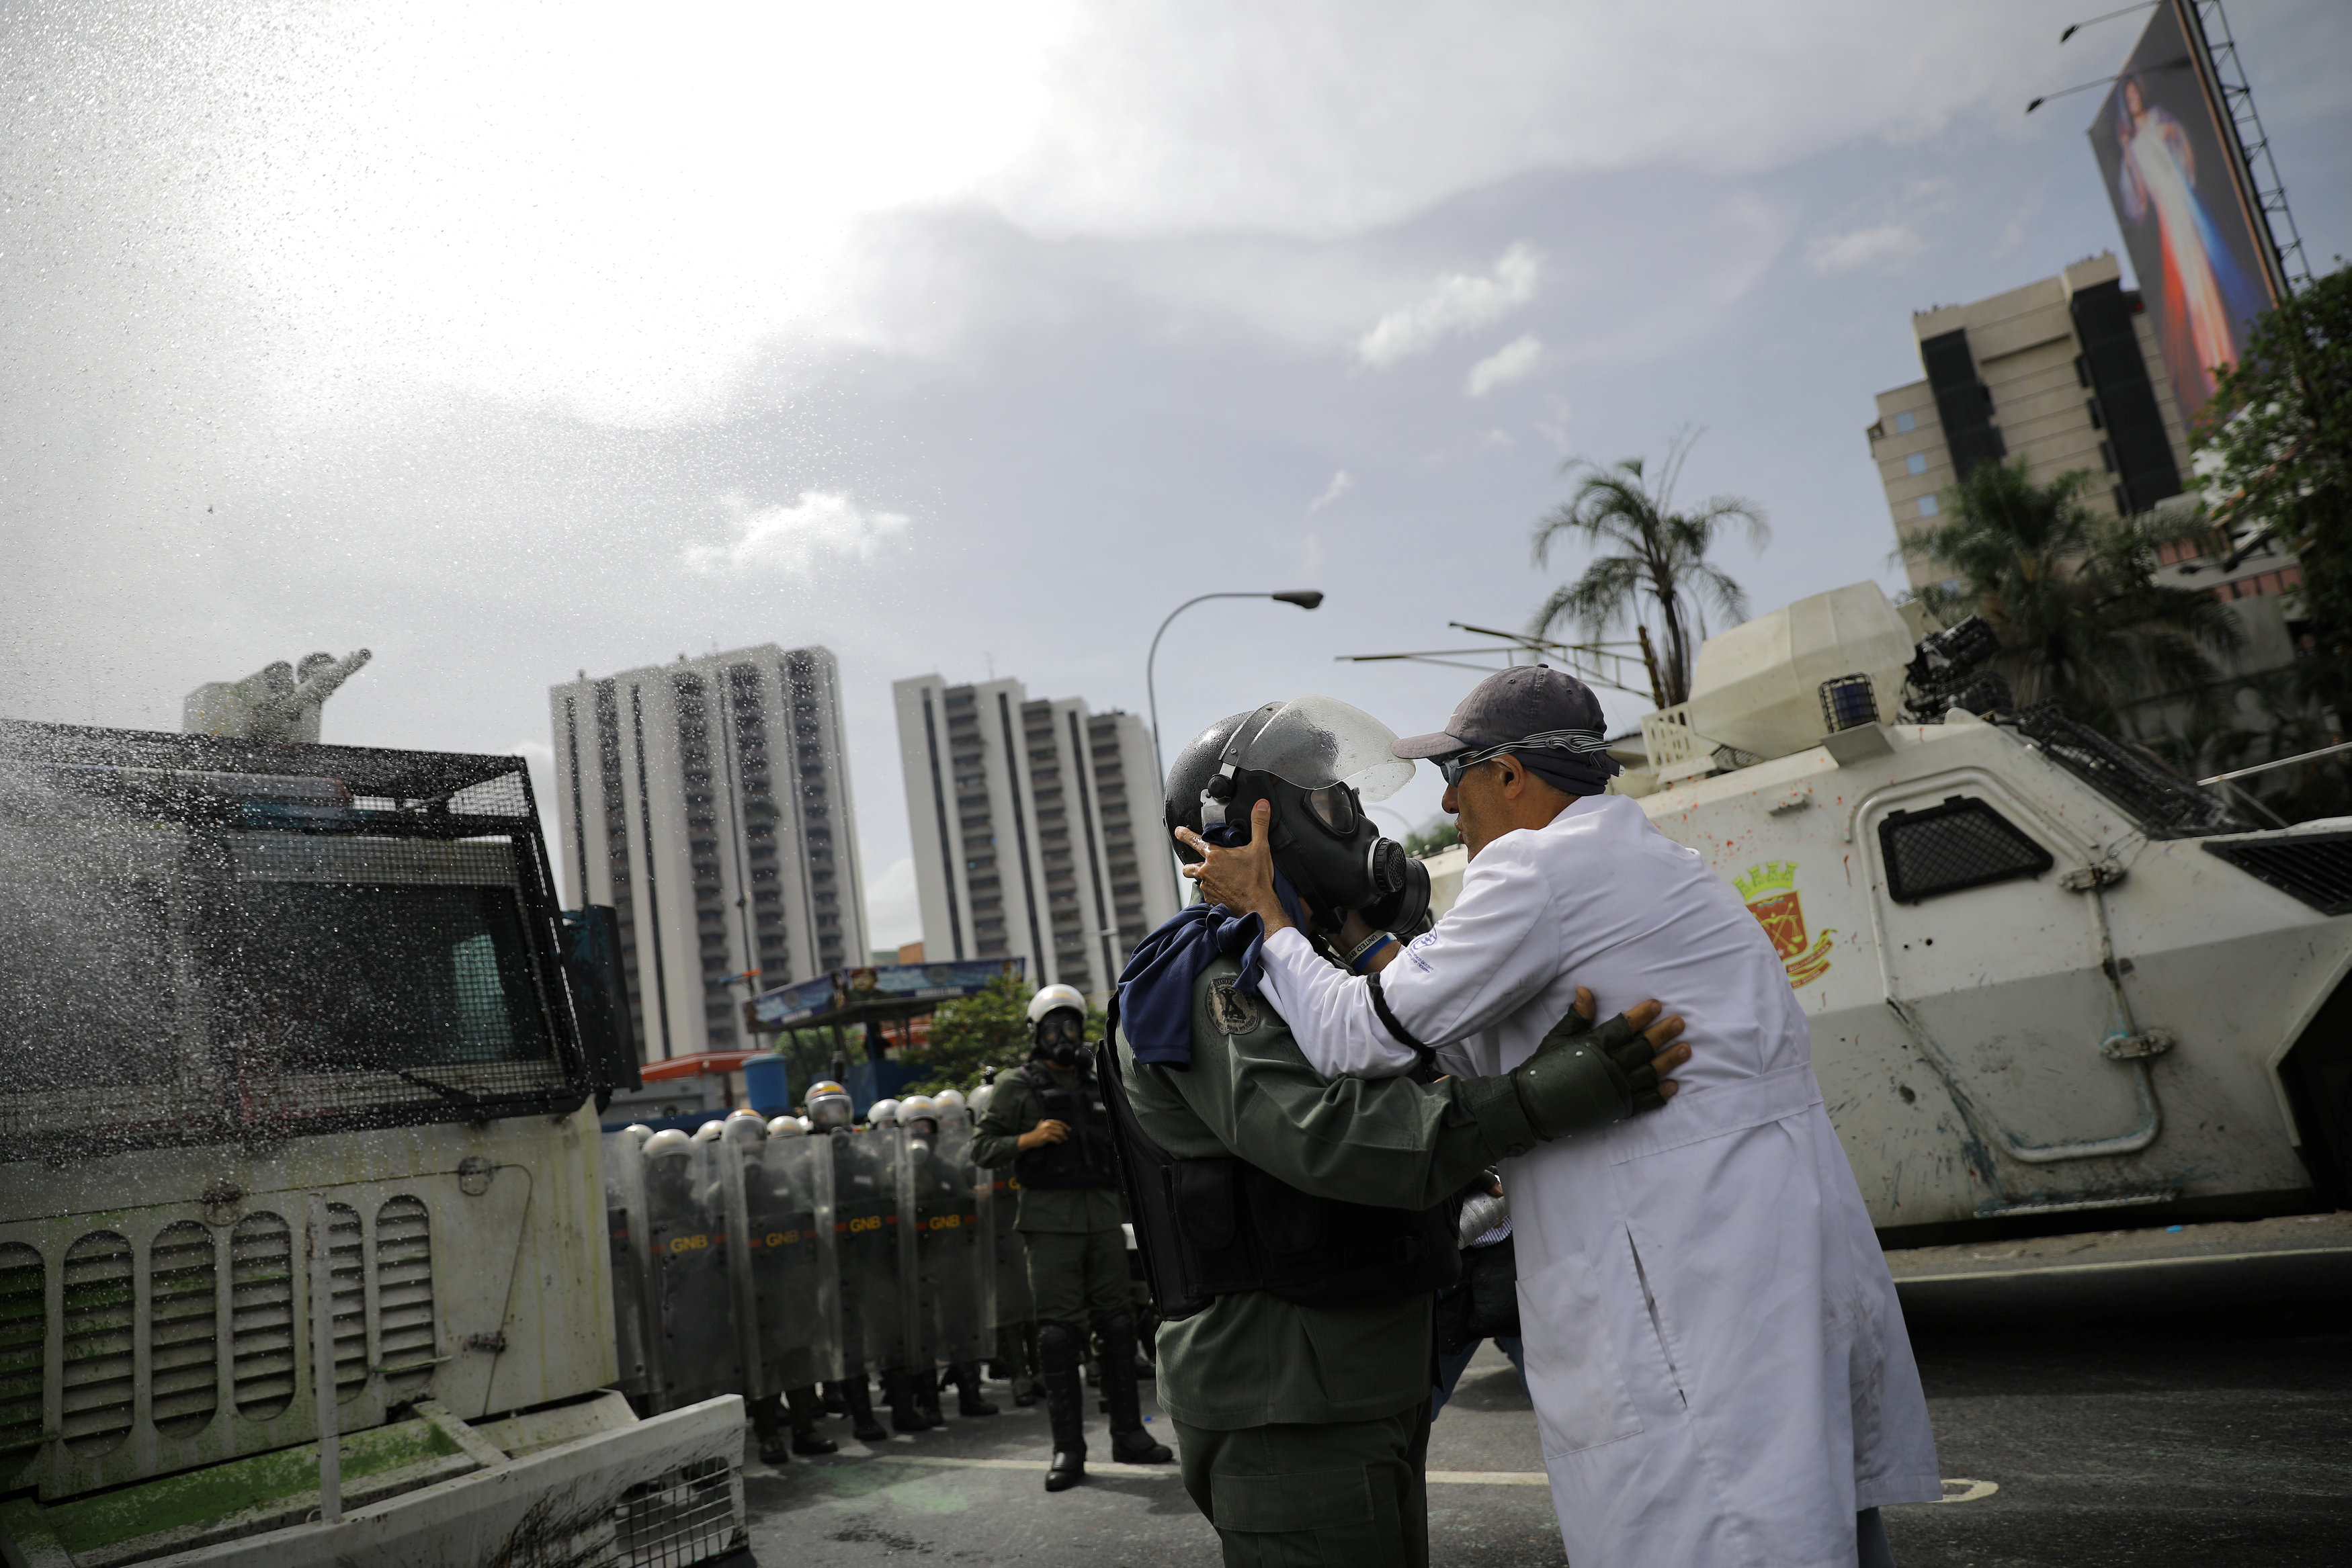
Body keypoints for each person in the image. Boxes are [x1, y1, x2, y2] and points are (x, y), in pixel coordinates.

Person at [1179, 672, 1939, 1568]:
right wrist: (1370, 946)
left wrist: (1268, 916)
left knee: (1729, 1530)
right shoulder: (1643, 860)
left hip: (1685, 1287)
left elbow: (1355, 1036)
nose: (1448, 800)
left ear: (1509, 776)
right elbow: (1458, 1039)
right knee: (1805, 1521)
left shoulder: (1538, 869)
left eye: (1459, 773)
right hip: (1753, 1265)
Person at [1107, 697, 1692, 1568]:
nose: (1355, 818)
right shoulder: (1210, 976)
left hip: (1356, 1382)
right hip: (1284, 1403)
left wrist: (1519, 1067)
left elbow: (1423, 1067)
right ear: (1246, 822)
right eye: (1329, 799)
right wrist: (1545, 1095)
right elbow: (1338, 1141)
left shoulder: (1313, 966)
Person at [972, 984, 1173, 1490]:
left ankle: (1129, 1435)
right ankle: (1069, 1449)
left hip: (1104, 1219)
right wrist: (1029, 1138)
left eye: (1070, 1026)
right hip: (1049, 1223)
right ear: (1036, 1033)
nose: (1063, 1036)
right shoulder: (1018, 1086)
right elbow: (982, 1149)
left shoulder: (1100, 1077)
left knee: (1119, 1327)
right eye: (1053, 1028)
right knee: (1060, 1337)